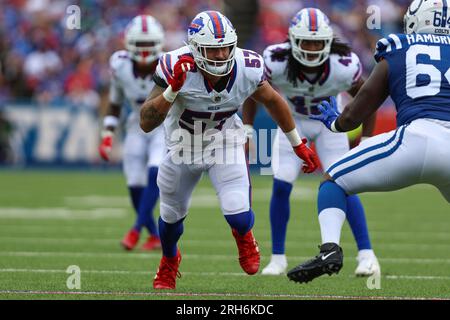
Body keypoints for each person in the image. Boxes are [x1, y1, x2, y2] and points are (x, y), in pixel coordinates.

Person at [140, 10, 320, 290]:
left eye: (225, 48)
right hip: (181, 147)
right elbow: (146, 122)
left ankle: (244, 235)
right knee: (171, 218)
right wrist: (171, 91)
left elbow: (273, 101)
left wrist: (297, 143)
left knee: (237, 212)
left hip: (225, 143)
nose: (222, 56)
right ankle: (169, 260)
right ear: (196, 49)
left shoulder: (247, 66)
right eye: (213, 51)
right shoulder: (174, 64)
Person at [287, 0, 450, 284]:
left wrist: (337, 123)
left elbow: (360, 107)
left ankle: (329, 250)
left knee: (334, 179)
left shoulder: (398, 47)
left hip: (415, 138)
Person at [243, 8, 380, 276]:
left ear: (328, 41)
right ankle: (278, 258)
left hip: (331, 125)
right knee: (281, 184)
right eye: (306, 41)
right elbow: (252, 92)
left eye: (317, 42)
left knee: (344, 184)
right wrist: (248, 127)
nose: (312, 48)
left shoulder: (343, 65)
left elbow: (368, 99)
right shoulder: (275, 60)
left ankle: (367, 255)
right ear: (293, 40)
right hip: (292, 124)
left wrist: (364, 138)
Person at [99, 15, 166, 251]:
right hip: (135, 124)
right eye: (141, 44)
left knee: (155, 172)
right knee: (134, 182)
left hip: (164, 125)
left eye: (149, 44)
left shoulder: (168, 63)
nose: (145, 49)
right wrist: (107, 134)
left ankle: (136, 229)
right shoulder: (119, 64)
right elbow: (115, 102)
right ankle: (155, 235)